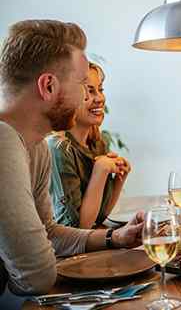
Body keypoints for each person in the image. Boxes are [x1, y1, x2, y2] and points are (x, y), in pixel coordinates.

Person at [0, 20, 143, 299]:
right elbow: (37, 277)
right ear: (49, 86)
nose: (85, 96)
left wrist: (115, 238)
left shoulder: (36, 146)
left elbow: (49, 233)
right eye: (81, 84)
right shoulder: (3, 140)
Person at [47, 62, 131, 229]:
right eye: (90, 91)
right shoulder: (58, 148)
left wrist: (119, 179)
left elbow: (99, 216)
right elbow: (76, 229)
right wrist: (100, 171)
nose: (100, 98)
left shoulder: (97, 143)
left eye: (100, 89)